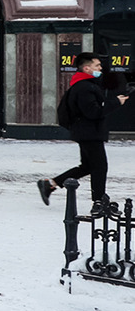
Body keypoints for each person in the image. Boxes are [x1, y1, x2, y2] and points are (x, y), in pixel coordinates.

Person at [40, 52, 129, 205]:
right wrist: (115, 102)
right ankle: (99, 202)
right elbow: (93, 112)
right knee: (100, 167)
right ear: (87, 68)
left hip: (87, 132)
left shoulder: (86, 85)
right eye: (97, 65)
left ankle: (51, 184)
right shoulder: (84, 87)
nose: (101, 68)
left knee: (88, 166)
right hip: (89, 133)